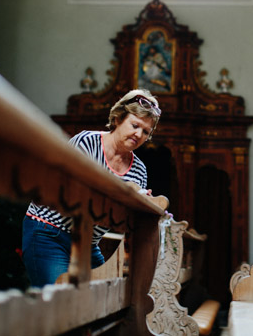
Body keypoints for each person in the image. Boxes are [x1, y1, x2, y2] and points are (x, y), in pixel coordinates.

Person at [22, 89, 162, 287]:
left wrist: (138, 205)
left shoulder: (139, 170)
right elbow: (68, 194)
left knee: (107, 300)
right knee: (62, 304)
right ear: (118, 119)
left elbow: (125, 221)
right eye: (135, 125)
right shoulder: (87, 142)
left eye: (146, 131)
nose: (139, 134)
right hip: (49, 232)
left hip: (88, 243)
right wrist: (121, 195)